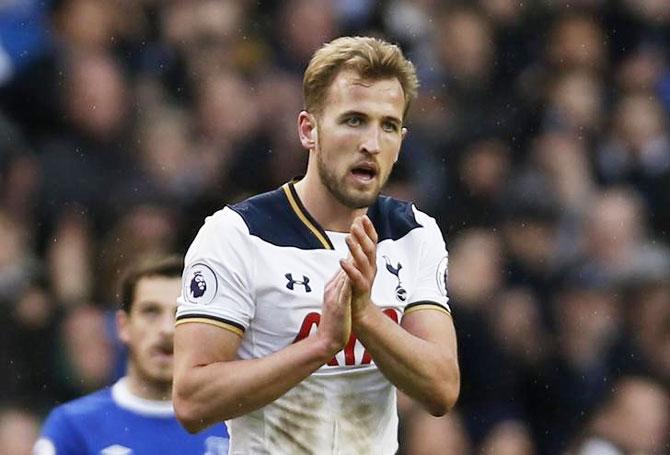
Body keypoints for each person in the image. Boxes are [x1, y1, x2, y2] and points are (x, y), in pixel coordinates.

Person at [173, 36, 460, 454]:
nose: (371, 144)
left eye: (389, 126)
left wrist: (365, 316)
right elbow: (191, 400)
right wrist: (320, 345)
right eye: (354, 120)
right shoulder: (237, 235)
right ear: (309, 130)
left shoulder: (414, 232)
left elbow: (442, 388)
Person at [33, 256, 229, 454]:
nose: (167, 329)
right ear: (123, 326)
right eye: (151, 312)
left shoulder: (232, 426)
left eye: (181, 314)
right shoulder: (73, 427)